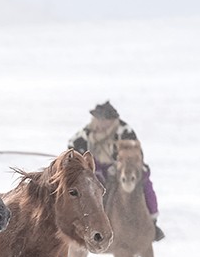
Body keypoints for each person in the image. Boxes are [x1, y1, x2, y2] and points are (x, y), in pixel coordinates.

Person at [68, 100, 163, 241]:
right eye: (99, 119)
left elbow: (135, 154)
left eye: (105, 120)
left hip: (122, 169)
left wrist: (119, 167)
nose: (101, 123)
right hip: (94, 170)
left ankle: (152, 221)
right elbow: (74, 155)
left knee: (145, 184)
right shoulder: (83, 136)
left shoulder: (125, 132)